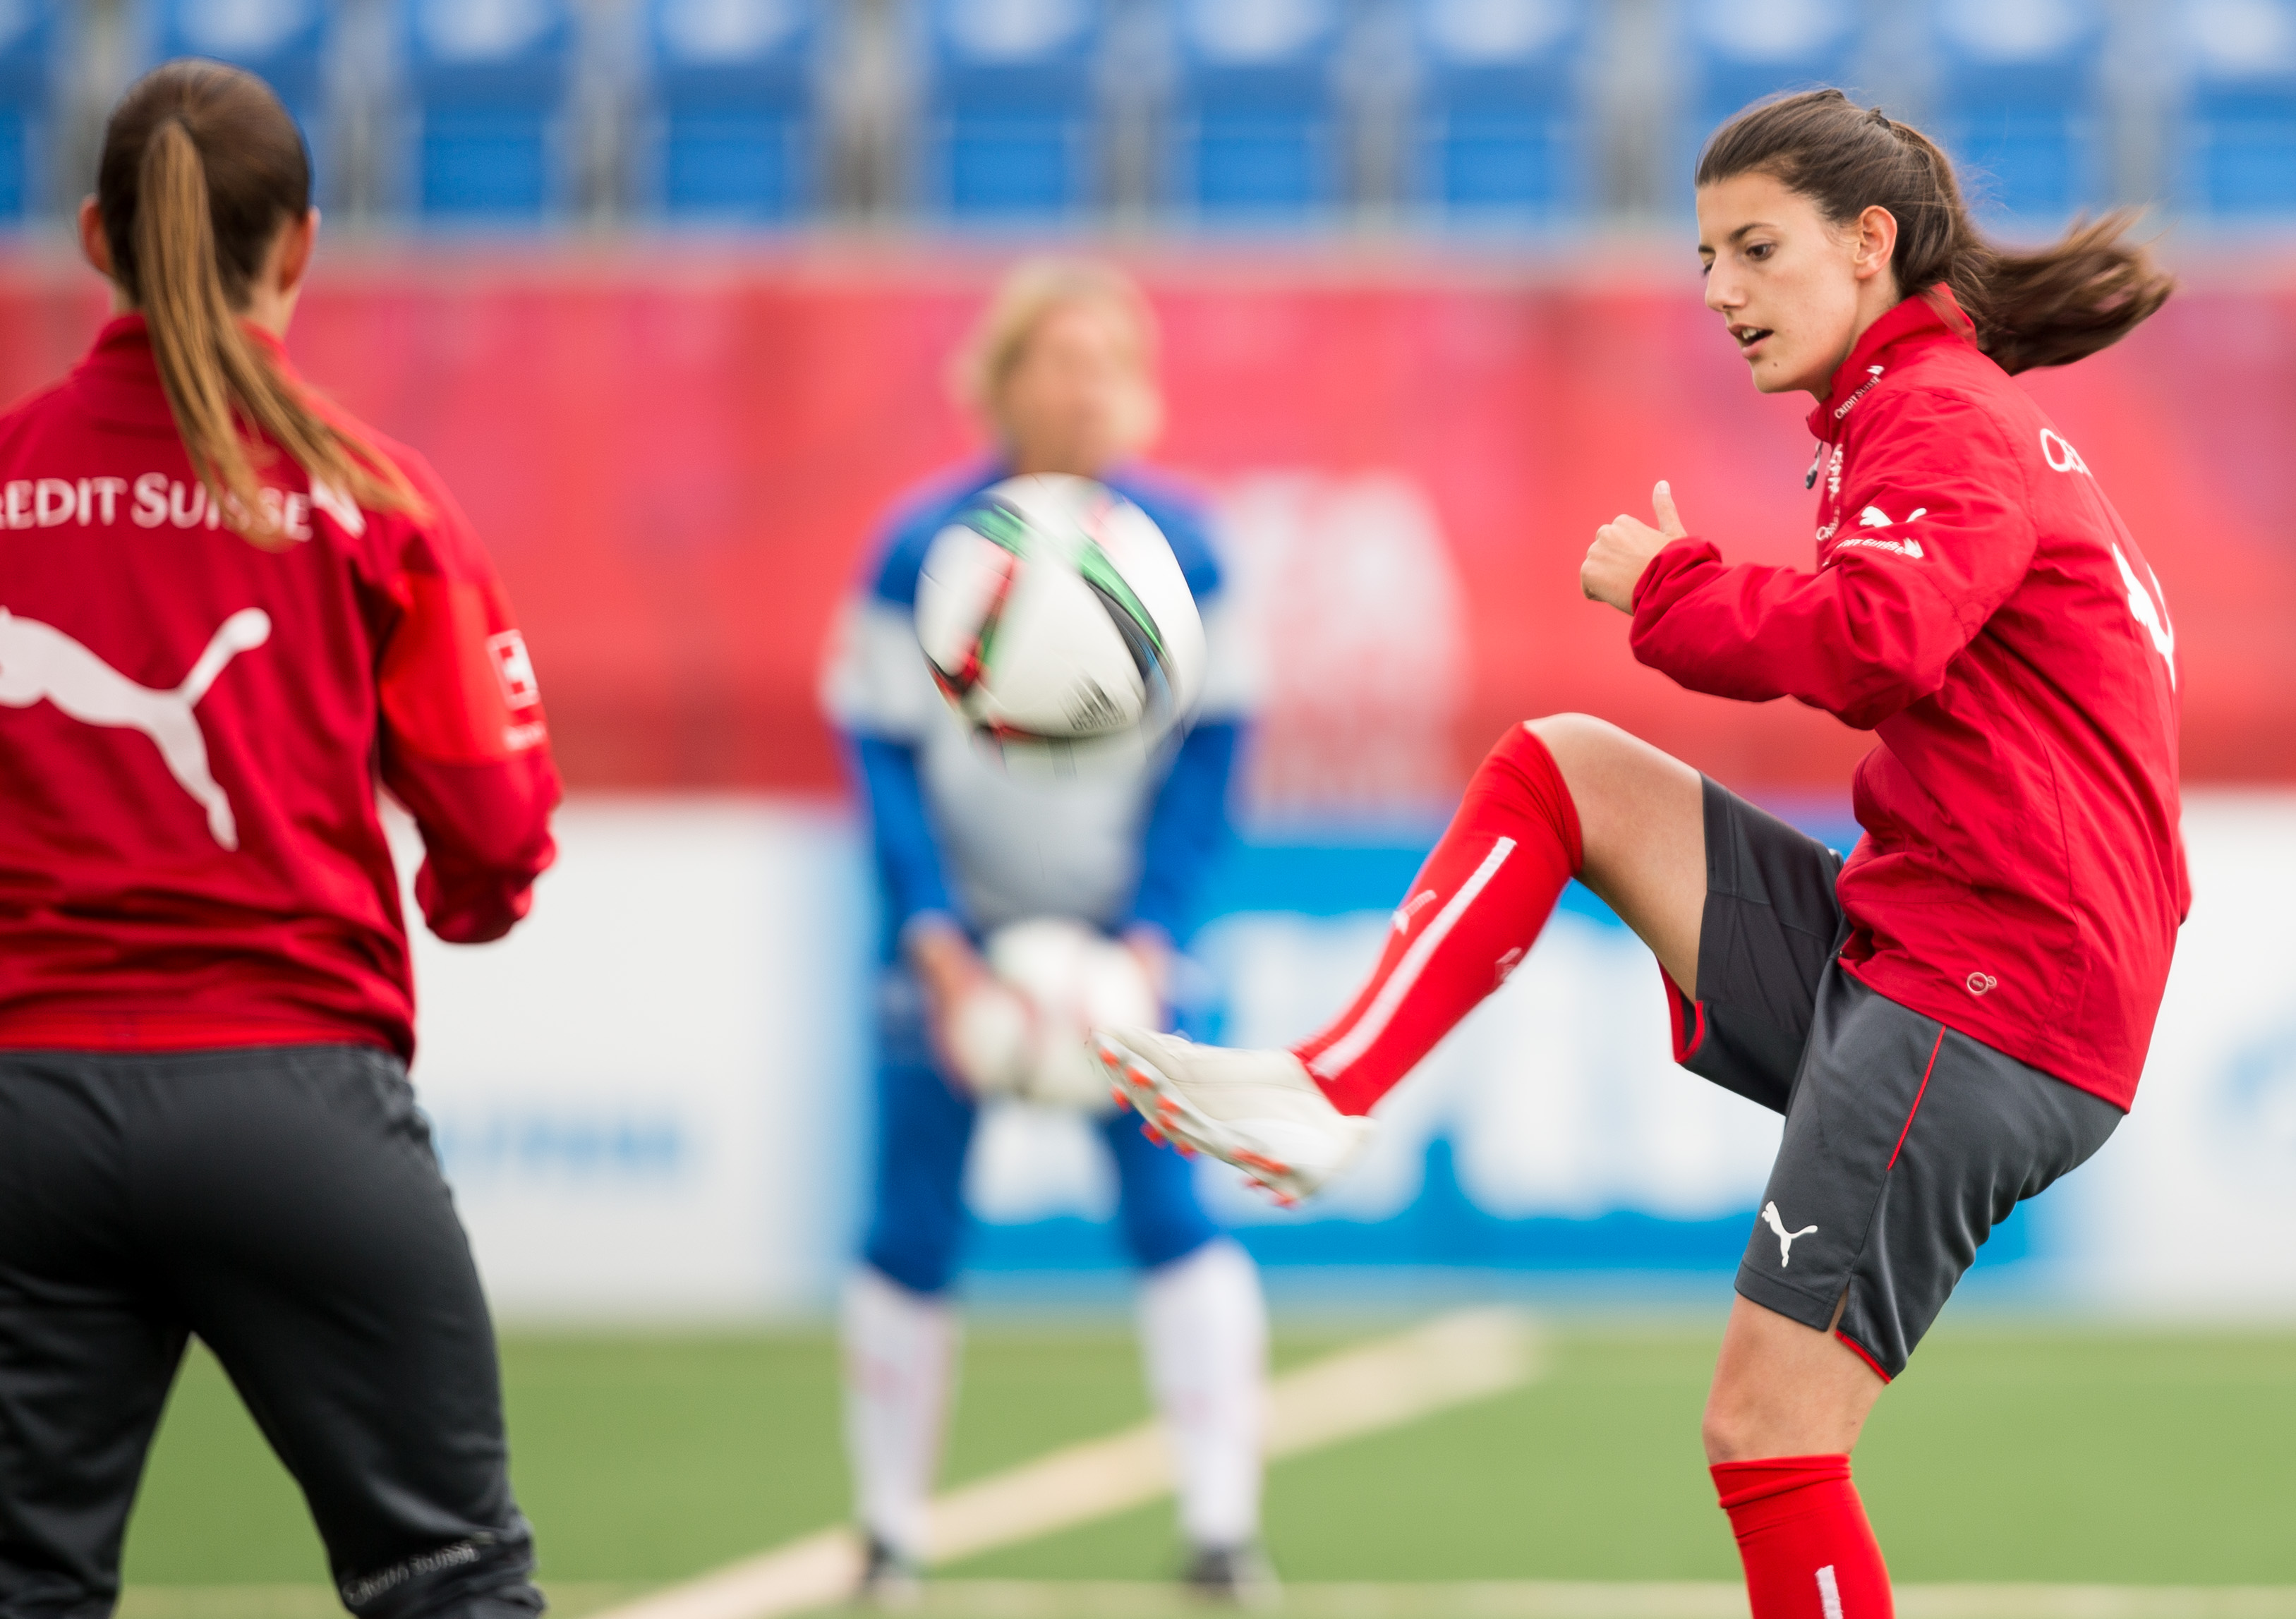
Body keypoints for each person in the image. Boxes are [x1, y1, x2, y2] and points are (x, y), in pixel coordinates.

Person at [1097, 89, 2185, 1618]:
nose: (1722, 292)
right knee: (1568, 770)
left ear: (1868, 244)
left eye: (1755, 248)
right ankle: (1331, 1086)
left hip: (1987, 993)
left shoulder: (1939, 411)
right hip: (1934, 953)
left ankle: (1334, 1090)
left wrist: (1672, 586)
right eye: (1702, 260)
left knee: (1768, 1434)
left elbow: (1882, 639)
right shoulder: (1930, 410)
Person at [0, 63, 559, 1618]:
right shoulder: (373, 493)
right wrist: (461, 897)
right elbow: (499, 825)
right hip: (293, 1102)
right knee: (450, 1579)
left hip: (19, 1107)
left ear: (97, 236)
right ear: (302, 246)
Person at [821, 259, 1271, 1601]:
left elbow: (1213, 761)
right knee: (908, 1221)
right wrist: (936, 942)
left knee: (1166, 1208)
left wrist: (1147, 937)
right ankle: (888, 1530)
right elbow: (882, 754)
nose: (1083, 389)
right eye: (1054, 360)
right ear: (1000, 379)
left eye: (1105, 363)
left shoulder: (1185, 549)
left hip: (1119, 944)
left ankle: (1221, 1528)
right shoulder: (916, 548)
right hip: (950, 944)